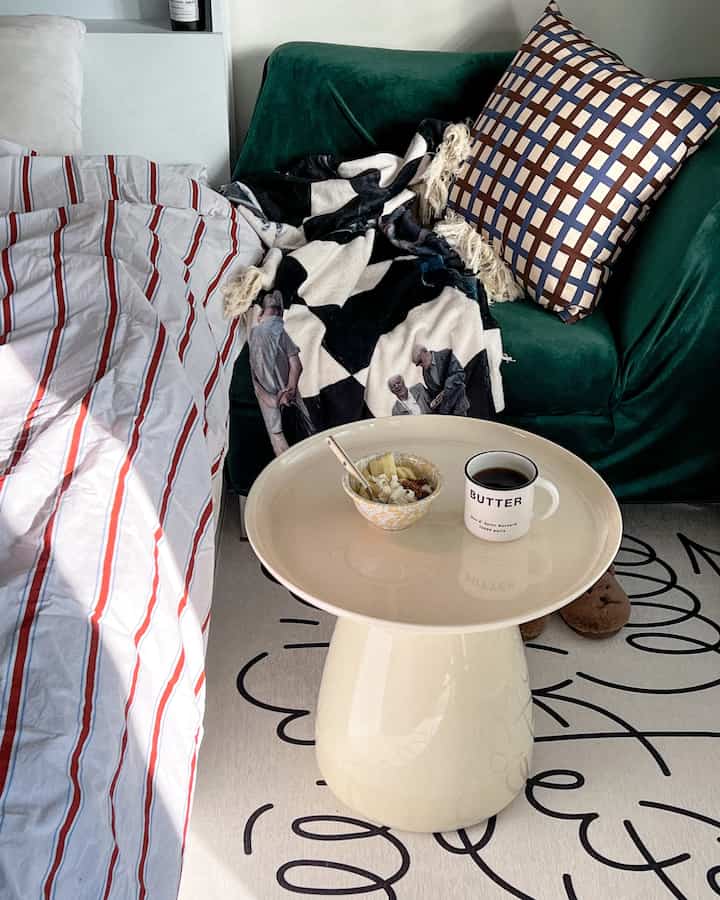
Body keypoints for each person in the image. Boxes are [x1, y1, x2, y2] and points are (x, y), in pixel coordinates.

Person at [248, 290, 315, 455]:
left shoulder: (256, 335)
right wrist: (288, 392)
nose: (276, 312)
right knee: (306, 439)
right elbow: (296, 365)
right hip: (286, 403)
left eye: (277, 309)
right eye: (274, 309)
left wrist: (277, 398)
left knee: (282, 444)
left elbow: (256, 382)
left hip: (276, 406)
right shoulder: (276, 332)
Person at [411, 344, 470, 416]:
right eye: (417, 364)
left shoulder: (445, 354)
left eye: (420, 361)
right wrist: (433, 402)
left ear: (425, 352)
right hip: (445, 412)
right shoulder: (425, 373)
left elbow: (460, 374)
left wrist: (447, 388)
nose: (420, 365)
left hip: (459, 406)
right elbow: (434, 393)